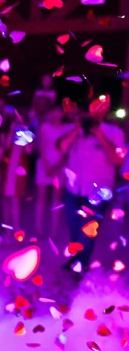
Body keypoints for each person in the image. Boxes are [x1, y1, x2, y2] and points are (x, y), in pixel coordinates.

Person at [58, 96, 125, 273]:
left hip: (97, 193)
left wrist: (101, 137)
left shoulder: (114, 133)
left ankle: (81, 265)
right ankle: (76, 260)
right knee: (74, 229)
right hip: (73, 190)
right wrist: (76, 130)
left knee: (87, 232)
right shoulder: (76, 131)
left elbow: (117, 160)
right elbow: (61, 148)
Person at [34, 106, 70, 237]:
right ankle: (38, 229)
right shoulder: (44, 127)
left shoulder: (68, 128)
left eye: (58, 111)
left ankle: (54, 231)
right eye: (53, 111)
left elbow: (67, 150)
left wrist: (57, 165)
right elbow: (41, 147)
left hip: (59, 165)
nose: (56, 114)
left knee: (57, 198)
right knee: (41, 198)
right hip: (44, 164)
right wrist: (46, 165)